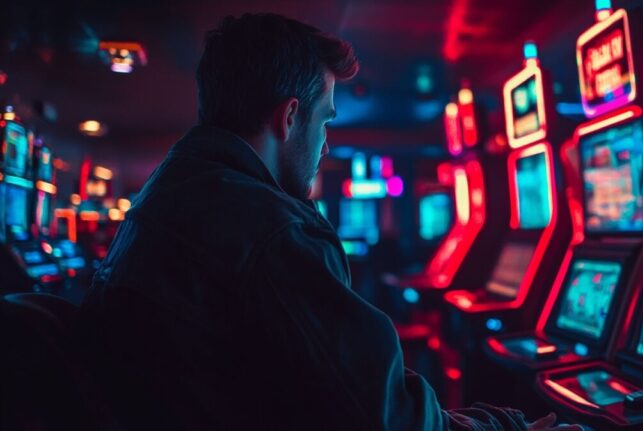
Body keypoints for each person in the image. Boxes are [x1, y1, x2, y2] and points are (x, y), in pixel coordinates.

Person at [77, 12, 583, 431]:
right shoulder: (272, 230)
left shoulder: (164, 197)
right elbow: (383, 419)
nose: (326, 143)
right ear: (290, 117)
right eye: (326, 120)